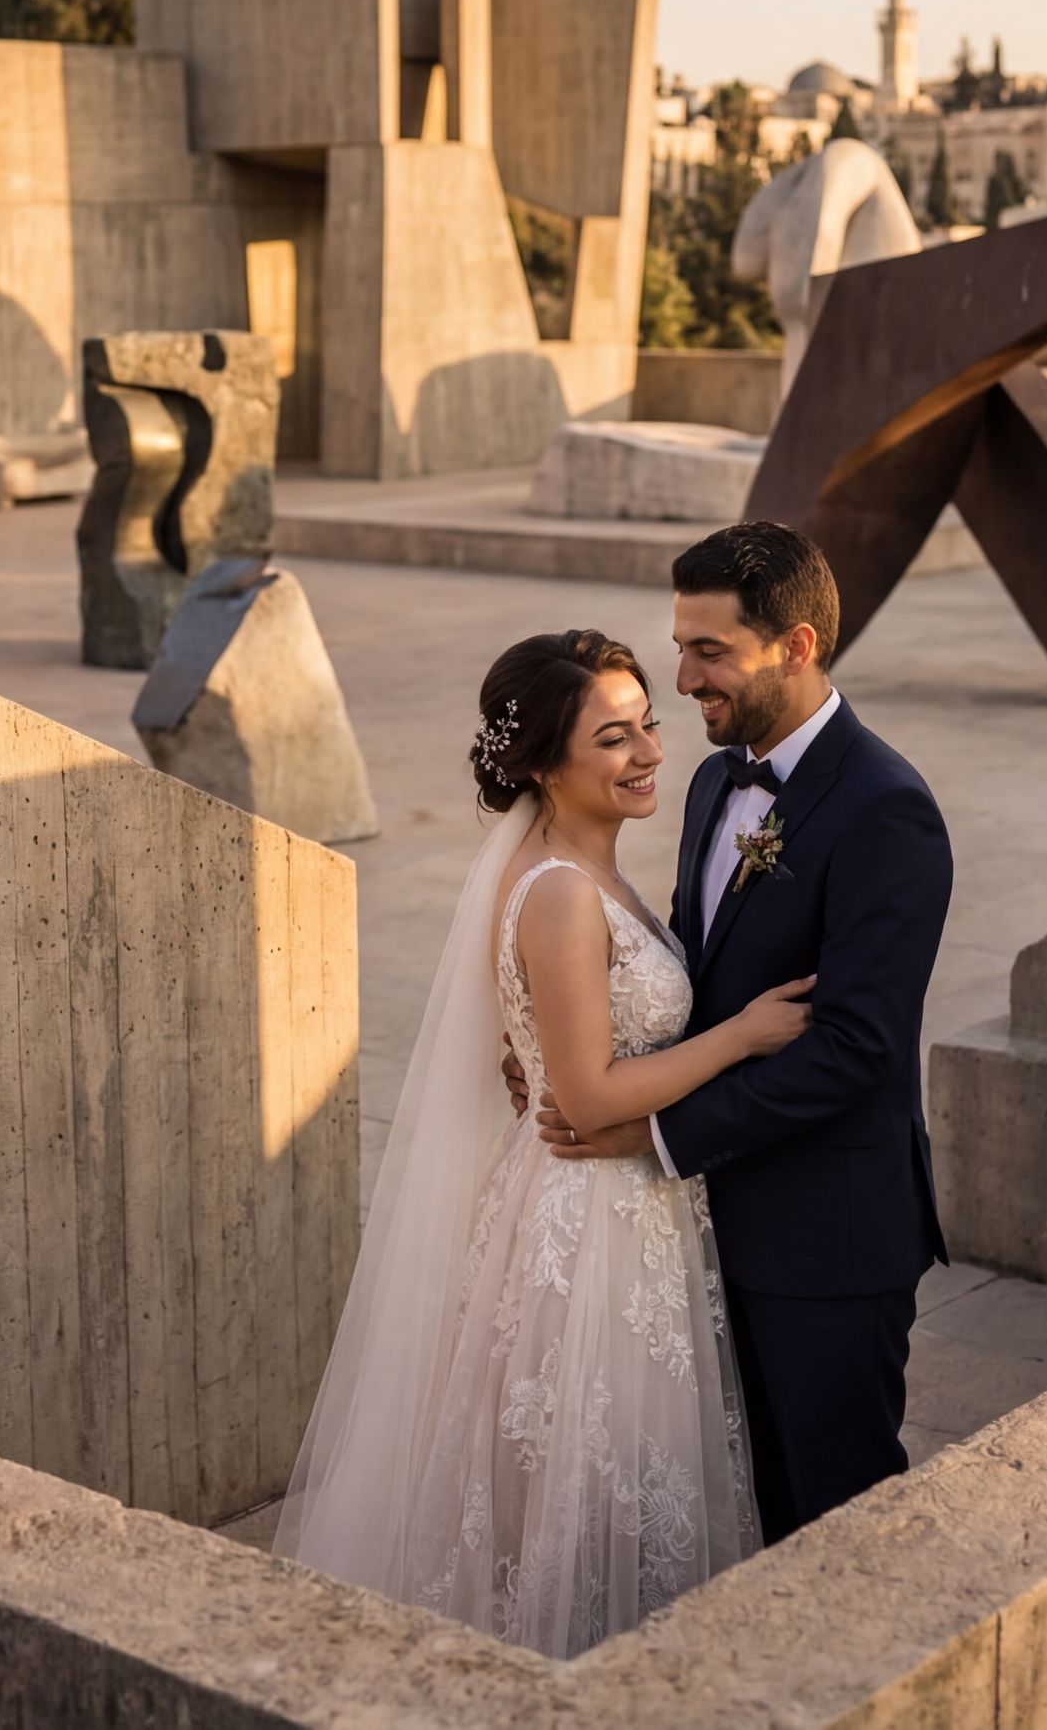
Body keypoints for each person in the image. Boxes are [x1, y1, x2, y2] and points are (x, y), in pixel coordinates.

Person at [273, 628, 814, 1655]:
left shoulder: (574, 868)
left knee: (603, 1473)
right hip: (592, 1211)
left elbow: (557, 1058)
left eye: (648, 724)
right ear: (541, 765)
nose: (650, 751)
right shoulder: (561, 892)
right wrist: (742, 1036)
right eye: (614, 738)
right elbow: (593, 1091)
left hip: (608, 1195)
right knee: (586, 1470)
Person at [521, 521, 953, 1543]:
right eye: (680, 645)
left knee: (832, 1517)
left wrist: (658, 1133)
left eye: (709, 651)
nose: (681, 679)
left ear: (795, 647)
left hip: (826, 1239)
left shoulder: (888, 809)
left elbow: (856, 1048)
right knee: (742, 1515)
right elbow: (703, 981)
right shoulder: (719, 780)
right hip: (711, 1227)